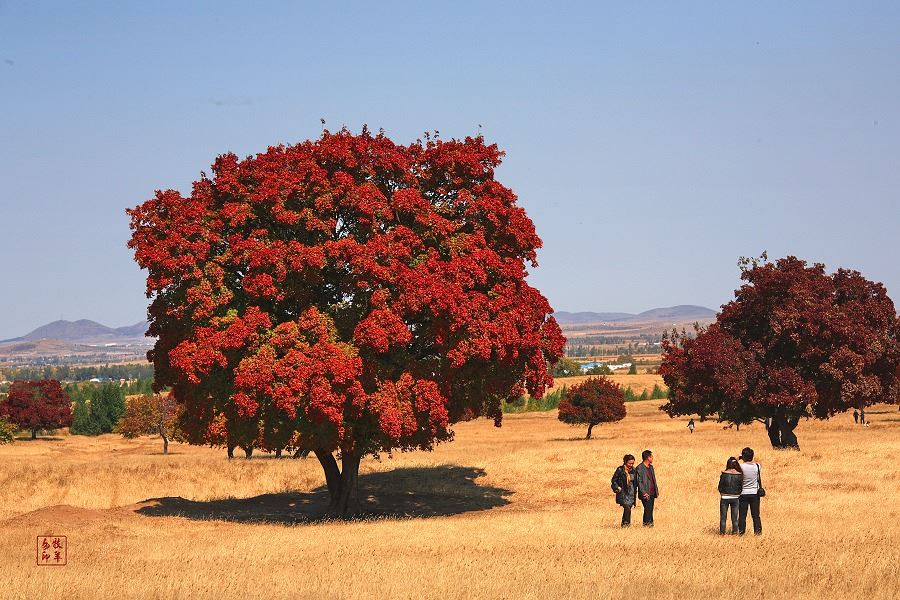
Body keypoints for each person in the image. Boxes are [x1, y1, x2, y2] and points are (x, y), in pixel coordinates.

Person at [738, 447, 763, 535]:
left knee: (742, 516)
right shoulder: (758, 466)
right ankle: (758, 533)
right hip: (755, 494)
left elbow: (731, 464)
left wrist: (738, 458)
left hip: (743, 493)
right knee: (756, 516)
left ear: (743, 456)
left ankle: (741, 533)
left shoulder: (741, 467)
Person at [718, 457, 743, 534]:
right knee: (734, 518)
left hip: (724, 497)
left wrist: (722, 493)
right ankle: (735, 534)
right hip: (735, 498)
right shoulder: (739, 474)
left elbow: (719, 486)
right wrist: (738, 493)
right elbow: (741, 487)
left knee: (723, 518)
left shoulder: (724, 473)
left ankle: (722, 534)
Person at [611, 454, 637, 527]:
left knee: (628, 509)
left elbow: (636, 482)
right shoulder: (620, 470)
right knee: (627, 508)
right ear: (625, 462)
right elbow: (613, 480)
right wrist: (617, 487)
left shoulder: (634, 470)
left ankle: (624, 525)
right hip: (623, 493)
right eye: (629, 463)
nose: (631, 465)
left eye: (632, 463)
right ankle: (626, 525)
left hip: (631, 493)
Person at [635, 449, 659, 527]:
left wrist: (656, 491)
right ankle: (649, 526)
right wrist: (644, 492)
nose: (652, 458)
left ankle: (647, 525)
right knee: (648, 509)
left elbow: (653, 479)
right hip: (645, 492)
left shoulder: (651, 467)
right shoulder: (639, 468)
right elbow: (639, 482)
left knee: (649, 510)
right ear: (648, 457)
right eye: (651, 456)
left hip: (652, 492)